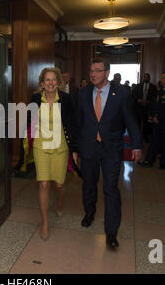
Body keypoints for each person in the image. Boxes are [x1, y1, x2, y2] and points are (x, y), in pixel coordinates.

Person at [73, 57, 142, 250]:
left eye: (97, 70)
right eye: (91, 70)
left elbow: (130, 120)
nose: (93, 74)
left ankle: (112, 232)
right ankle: (89, 212)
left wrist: (137, 145)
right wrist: (75, 149)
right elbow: (78, 123)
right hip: (88, 147)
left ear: (107, 73)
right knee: (88, 183)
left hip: (111, 148)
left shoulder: (120, 93)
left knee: (111, 189)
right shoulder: (82, 94)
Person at [30, 68, 79, 241]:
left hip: (60, 147)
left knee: (59, 184)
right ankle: (45, 223)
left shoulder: (66, 100)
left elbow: (73, 125)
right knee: (44, 184)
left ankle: (59, 201)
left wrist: (74, 150)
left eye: (53, 80)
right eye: (47, 80)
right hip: (41, 146)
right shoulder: (35, 99)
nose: (50, 83)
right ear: (42, 84)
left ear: (58, 82)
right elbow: (31, 122)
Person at [141, 73, 165, 169]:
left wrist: (159, 118)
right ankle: (149, 160)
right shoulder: (161, 91)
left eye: (162, 78)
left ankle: (163, 163)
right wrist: (153, 116)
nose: (160, 80)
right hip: (157, 121)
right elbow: (156, 105)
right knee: (154, 141)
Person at [132, 73, 158, 143]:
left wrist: (148, 102)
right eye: (145, 77)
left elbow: (155, 97)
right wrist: (139, 100)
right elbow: (133, 95)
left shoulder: (153, 87)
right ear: (143, 78)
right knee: (138, 123)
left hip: (148, 108)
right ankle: (137, 138)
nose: (146, 78)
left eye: (147, 77)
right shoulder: (138, 86)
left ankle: (146, 138)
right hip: (139, 108)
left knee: (147, 124)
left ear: (149, 78)